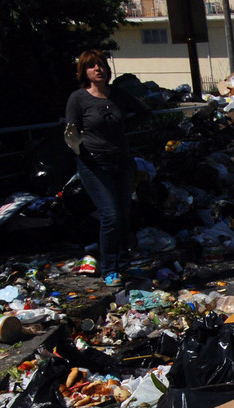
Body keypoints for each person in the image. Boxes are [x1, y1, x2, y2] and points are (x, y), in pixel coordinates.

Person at [65, 50, 150, 287]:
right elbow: (70, 130)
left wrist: (125, 128)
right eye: (92, 66)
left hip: (121, 161)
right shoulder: (78, 98)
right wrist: (77, 145)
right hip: (94, 163)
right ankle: (109, 269)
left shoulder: (118, 96)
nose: (98, 69)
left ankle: (122, 259)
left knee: (123, 213)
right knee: (110, 215)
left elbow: (144, 111)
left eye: (101, 65)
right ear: (85, 72)